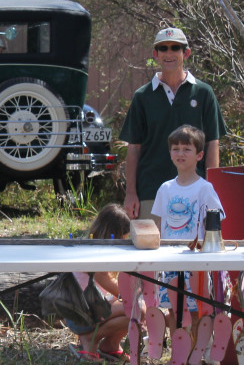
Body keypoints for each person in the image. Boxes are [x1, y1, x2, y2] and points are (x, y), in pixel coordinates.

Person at [119, 27, 227, 222]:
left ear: (186, 53)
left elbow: (212, 143)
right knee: (150, 242)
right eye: (163, 48)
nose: (169, 53)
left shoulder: (204, 93)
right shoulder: (142, 96)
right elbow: (134, 148)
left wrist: (210, 190)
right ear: (156, 54)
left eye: (175, 48)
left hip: (195, 192)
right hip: (150, 192)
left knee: (195, 242)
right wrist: (131, 193)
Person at [151, 125, 226, 332]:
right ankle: (178, 350)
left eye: (186, 149)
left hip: (195, 261)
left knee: (195, 311)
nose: (180, 153)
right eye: (175, 149)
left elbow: (217, 221)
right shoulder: (165, 188)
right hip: (169, 260)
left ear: (199, 155)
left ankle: (197, 349)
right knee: (173, 311)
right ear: (170, 153)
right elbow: (159, 225)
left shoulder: (205, 188)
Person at [68, 203, 134, 362]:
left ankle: (110, 344)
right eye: (123, 237)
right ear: (113, 234)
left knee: (135, 310)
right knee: (136, 308)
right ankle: (90, 339)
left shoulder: (96, 248)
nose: (125, 240)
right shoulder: (92, 254)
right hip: (79, 313)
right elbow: (117, 289)